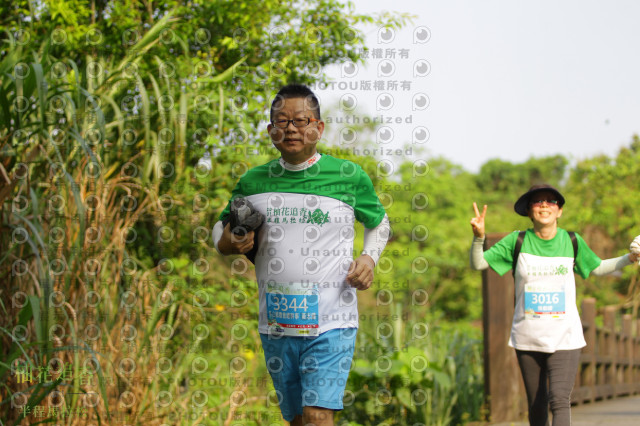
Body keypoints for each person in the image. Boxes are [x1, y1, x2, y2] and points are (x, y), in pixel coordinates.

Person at [212, 83, 390, 426]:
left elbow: (380, 224)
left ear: (318, 127)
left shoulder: (348, 176)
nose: (290, 128)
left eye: (301, 120)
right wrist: (229, 243)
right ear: (270, 131)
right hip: (276, 324)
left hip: (332, 322)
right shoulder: (253, 181)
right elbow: (219, 231)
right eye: (281, 121)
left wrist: (368, 258)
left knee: (317, 415)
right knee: (296, 420)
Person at [469, 184, 640, 426]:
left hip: (565, 337)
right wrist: (479, 238)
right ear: (529, 211)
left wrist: (630, 258)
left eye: (551, 201)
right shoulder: (516, 241)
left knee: (559, 399)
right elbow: (479, 264)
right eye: (538, 202)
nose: (544, 205)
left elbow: (598, 267)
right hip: (528, 338)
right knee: (536, 404)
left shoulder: (572, 241)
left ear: (559, 211)